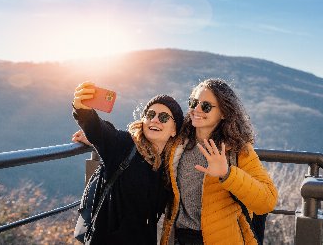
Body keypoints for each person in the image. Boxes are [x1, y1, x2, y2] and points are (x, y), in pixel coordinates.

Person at [160, 79, 278, 245]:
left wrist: (227, 174)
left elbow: (267, 201)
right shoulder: (177, 143)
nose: (196, 110)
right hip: (180, 238)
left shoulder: (238, 150)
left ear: (223, 113)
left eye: (206, 106)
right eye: (193, 103)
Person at [72, 81, 184, 245]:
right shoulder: (125, 145)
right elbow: (99, 130)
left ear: (174, 129)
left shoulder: (169, 165)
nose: (155, 120)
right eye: (150, 114)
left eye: (164, 117)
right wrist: (82, 109)